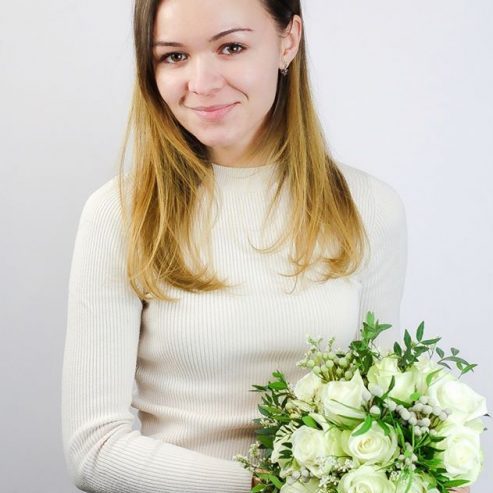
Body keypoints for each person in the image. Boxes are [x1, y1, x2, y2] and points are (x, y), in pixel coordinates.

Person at [61, 0, 469, 492]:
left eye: (231, 47)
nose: (201, 83)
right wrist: (273, 486)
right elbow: (94, 448)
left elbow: (380, 410)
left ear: (287, 41)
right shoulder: (120, 214)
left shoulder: (370, 209)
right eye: (174, 56)